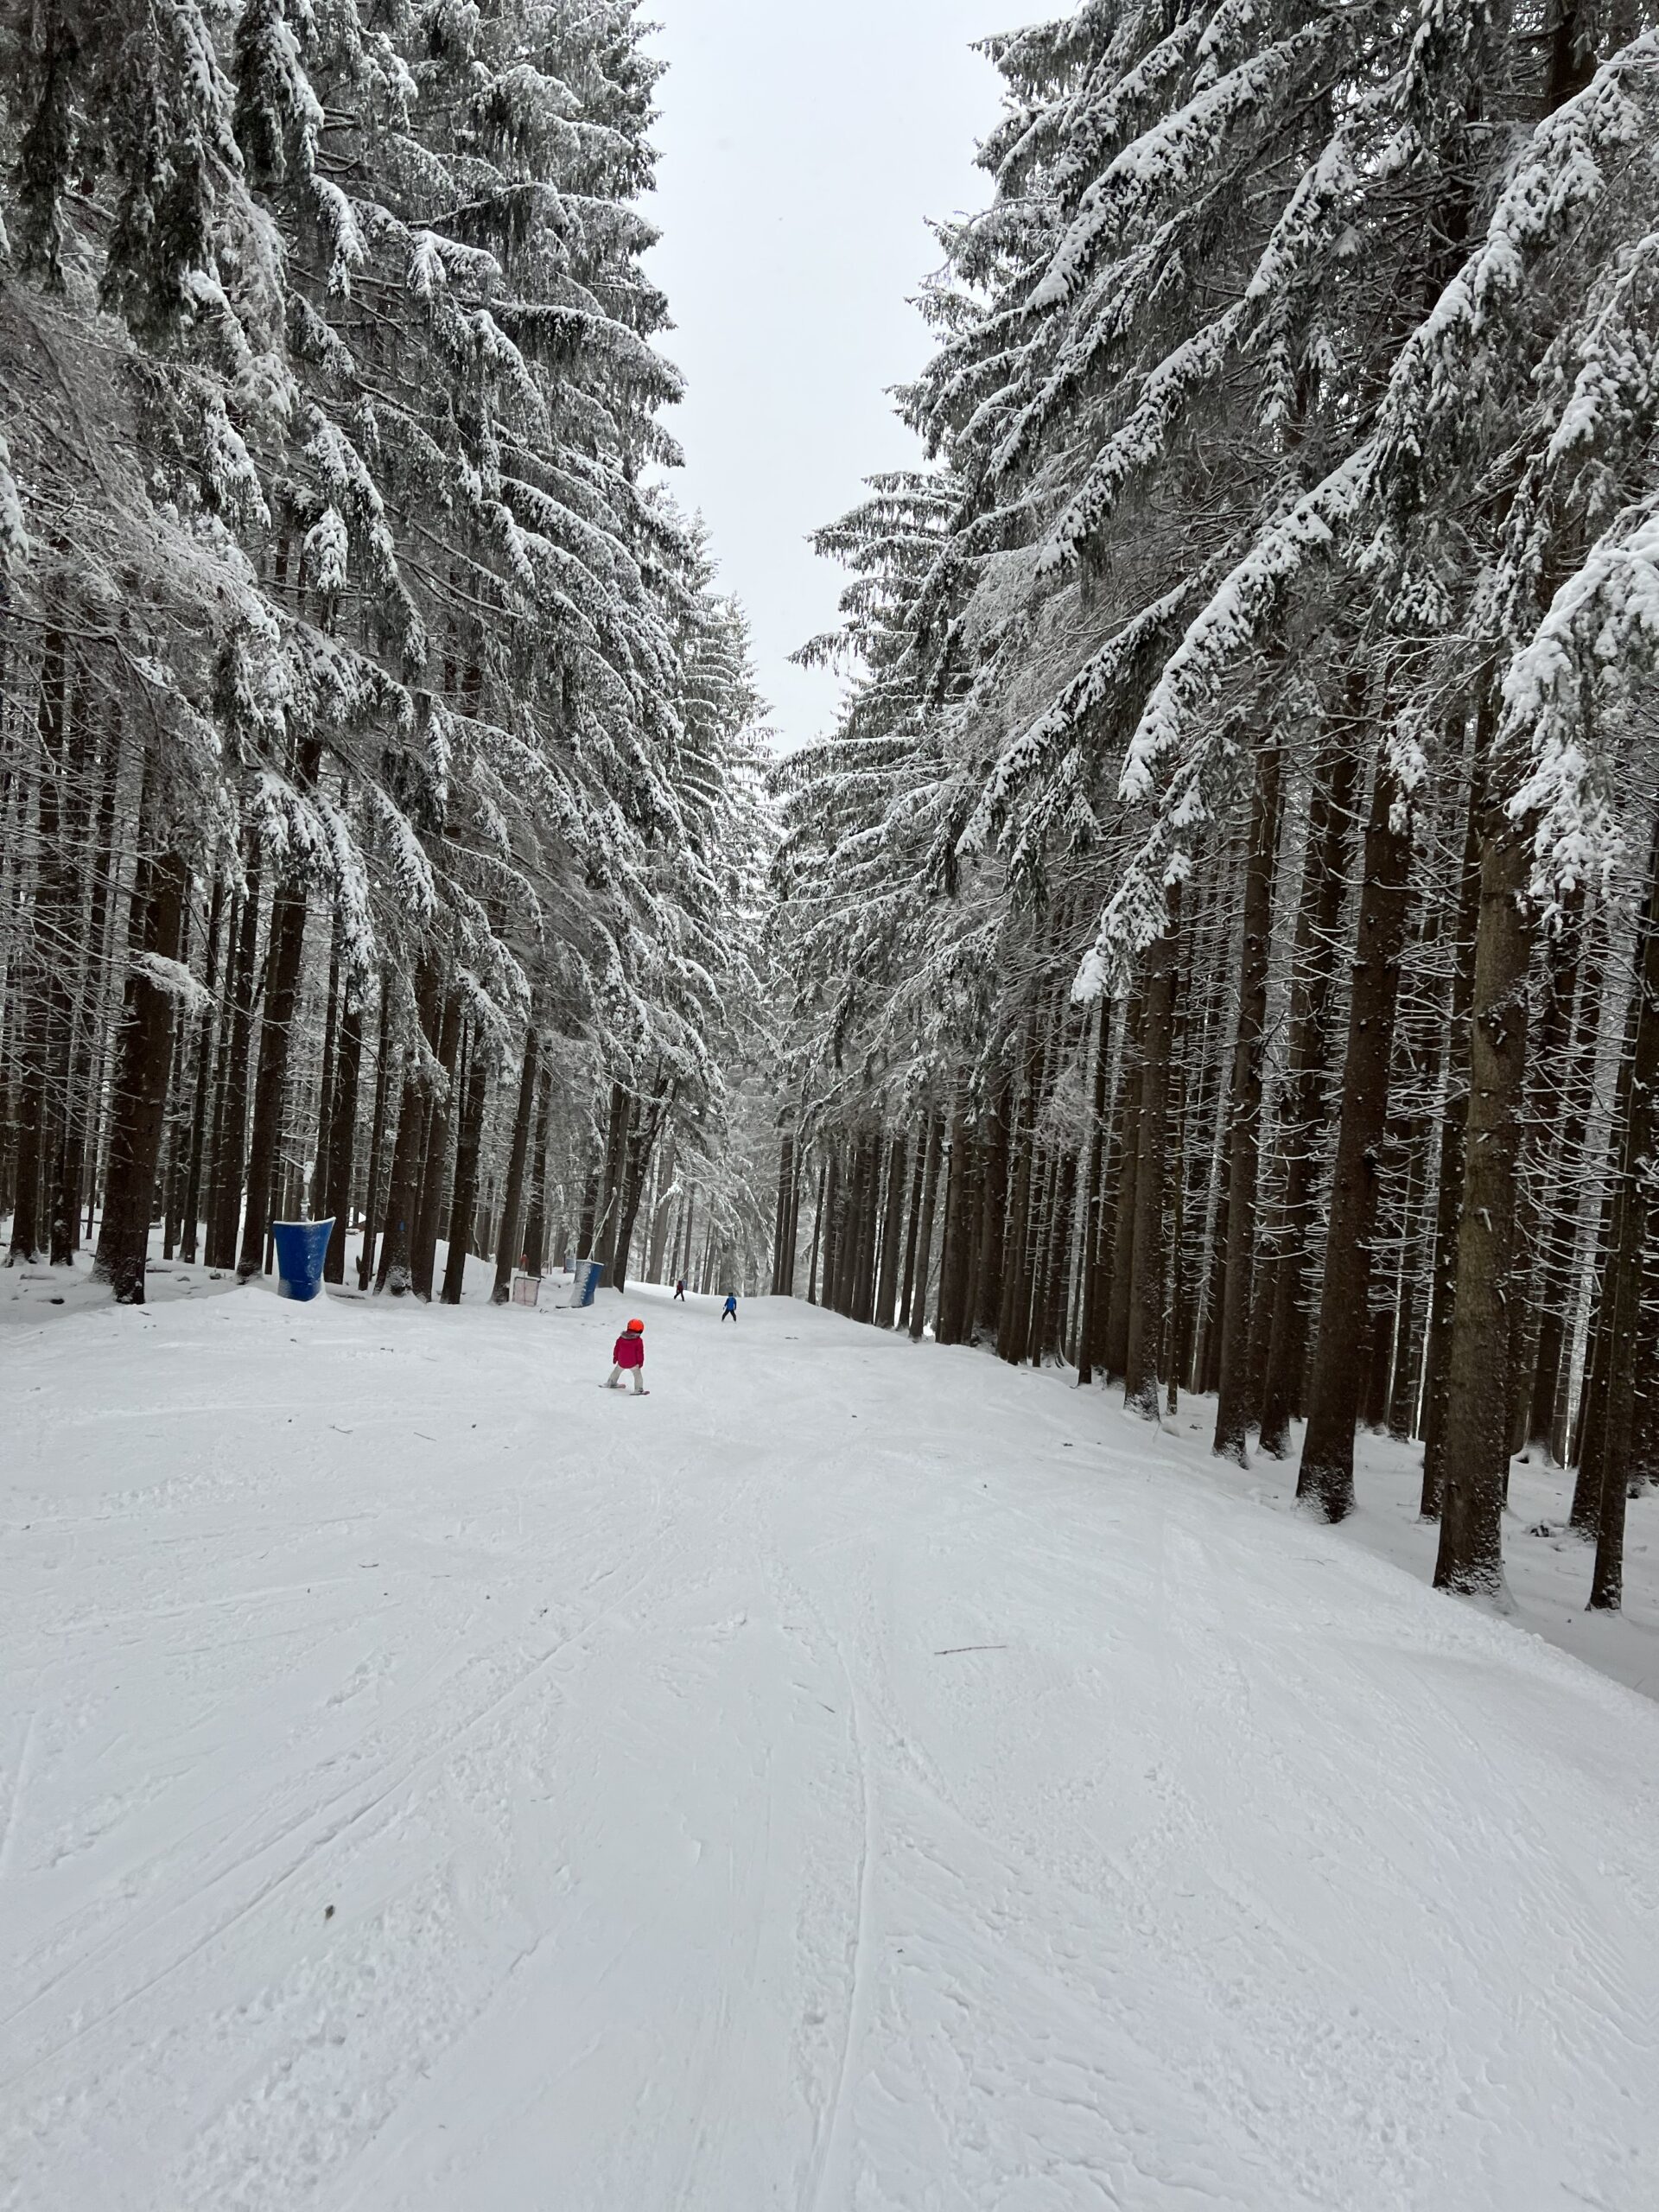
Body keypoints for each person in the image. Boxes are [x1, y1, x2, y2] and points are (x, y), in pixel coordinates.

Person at [606, 1317, 648, 1395]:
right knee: (637, 1374)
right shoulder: (638, 1341)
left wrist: (615, 1357)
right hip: (633, 1363)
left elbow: (616, 1349)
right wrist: (640, 1362)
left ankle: (611, 1382)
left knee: (617, 1370)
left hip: (621, 1362)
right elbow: (640, 1353)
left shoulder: (621, 1338)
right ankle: (639, 1389)